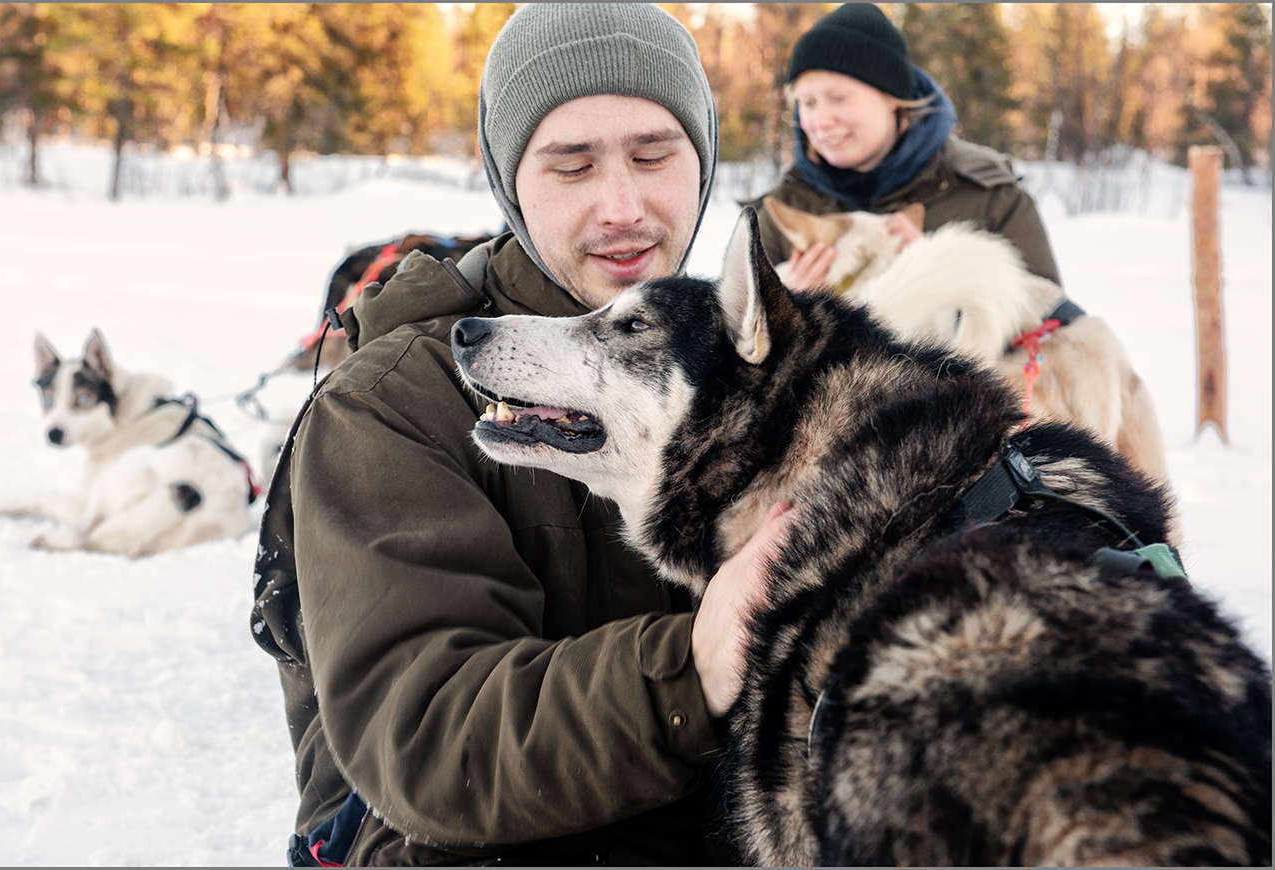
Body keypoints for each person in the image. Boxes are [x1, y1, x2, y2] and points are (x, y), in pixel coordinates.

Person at [250, 4, 791, 866]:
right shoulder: (393, 405)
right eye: (570, 166)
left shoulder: (744, 362)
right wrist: (694, 663)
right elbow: (429, 740)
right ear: (510, 183)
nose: (622, 207)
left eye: (654, 156)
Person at [752, 3, 1062, 293]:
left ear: (892, 98)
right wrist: (778, 308)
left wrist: (940, 272)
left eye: (838, 98)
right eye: (807, 103)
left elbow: (1050, 322)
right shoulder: (785, 209)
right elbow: (726, 339)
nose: (820, 120)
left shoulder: (986, 195)